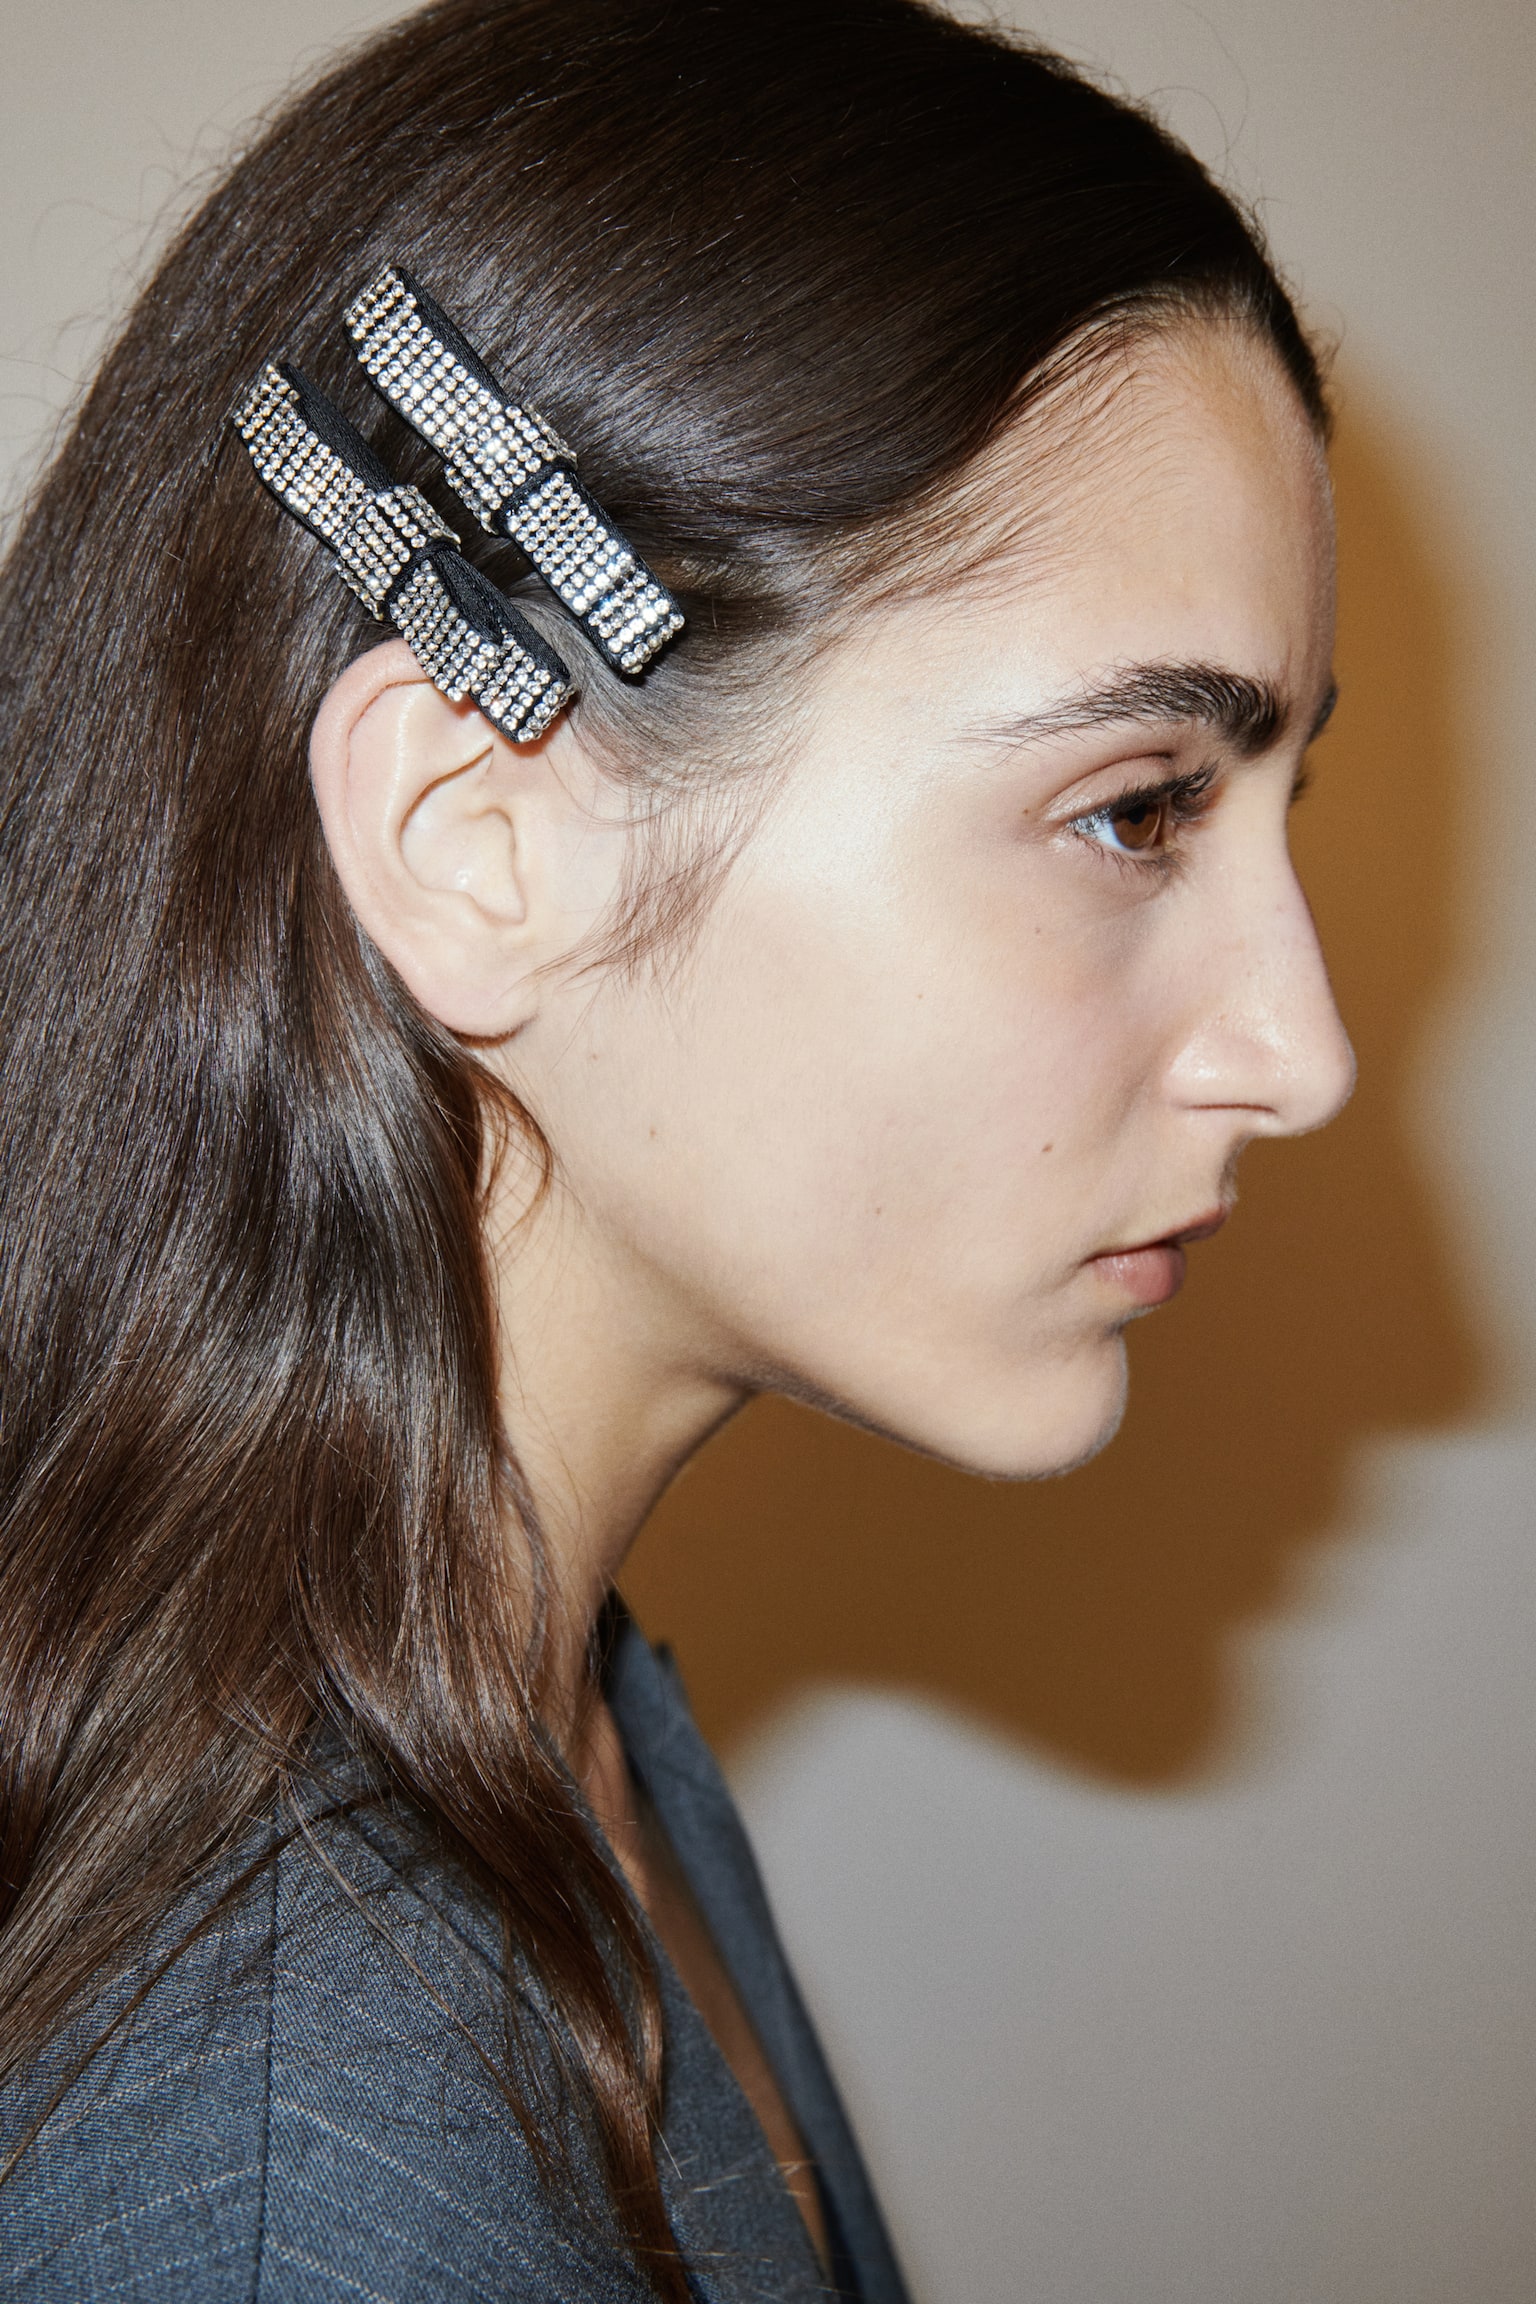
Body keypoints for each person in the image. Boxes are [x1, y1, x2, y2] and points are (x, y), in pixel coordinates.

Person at [0, 0, 1354, 2295]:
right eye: (1136, 811)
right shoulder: (283, 2201)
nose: (1299, 1052)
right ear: (478, 834)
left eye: (1276, 798)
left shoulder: (562, 1717)